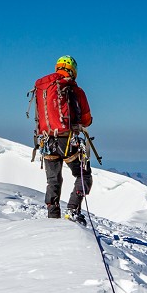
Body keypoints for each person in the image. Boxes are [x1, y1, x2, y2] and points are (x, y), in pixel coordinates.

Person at [32, 55, 93, 223]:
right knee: (84, 175)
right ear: (73, 71)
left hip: (46, 141)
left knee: (53, 181)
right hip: (67, 141)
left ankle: (53, 216)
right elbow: (86, 119)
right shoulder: (74, 90)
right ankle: (73, 210)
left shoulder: (43, 88)